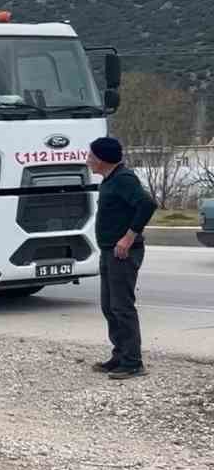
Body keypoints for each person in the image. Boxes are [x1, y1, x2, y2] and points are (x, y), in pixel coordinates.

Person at [88, 136, 156, 379]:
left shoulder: (124, 179)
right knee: (109, 306)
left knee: (122, 307)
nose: (88, 161)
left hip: (124, 252)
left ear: (102, 159)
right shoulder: (109, 180)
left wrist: (128, 238)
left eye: (91, 156)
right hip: (109, 251)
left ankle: (133, 362)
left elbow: (147, 205)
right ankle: (119, 355)